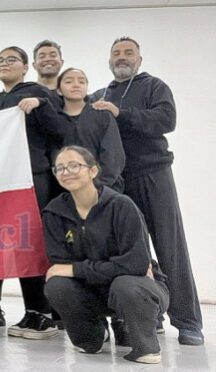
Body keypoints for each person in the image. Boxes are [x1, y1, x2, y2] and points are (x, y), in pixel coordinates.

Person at [89, 36, 203, 345]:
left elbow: (167, 119)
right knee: (134, 253)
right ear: (109, 60)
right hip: (118, 182)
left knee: (170, 247)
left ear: (139, 59)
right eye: (116, 53)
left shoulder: (154, 86)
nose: (122, 57)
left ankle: (189, 322)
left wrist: (120, 114)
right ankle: (151, 313)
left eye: (129, 53)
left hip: (153, 175)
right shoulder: (99, 95)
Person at [44, 145, 169, 364]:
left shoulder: (121, 206)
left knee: (127, 284)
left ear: (93, 171)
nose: (66, 172)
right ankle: (91, 337)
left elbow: (137, 264)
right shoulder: (54, 213)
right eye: (60, 168)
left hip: (136, 288)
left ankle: (146, 347)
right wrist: (91, 270)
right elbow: (58, 264)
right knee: (56, 284)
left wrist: (77, 269)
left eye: (74, 165)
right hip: (91, 290)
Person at [0, 46, 65, 340]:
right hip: (4, 184)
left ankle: (46, 311)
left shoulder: (39, 95)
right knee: (19, 244)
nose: (4, 64)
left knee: (36, 242)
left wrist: (41, 106)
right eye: (0, 60)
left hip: (34, 180)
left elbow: (62, 132)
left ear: (26, 66)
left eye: (11, 60)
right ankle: (32, 310)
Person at [18, 68, 125, 191]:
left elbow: (113, 156)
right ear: (59, 90)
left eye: (81, 82)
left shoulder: (102, 115)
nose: (76, 85)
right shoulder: (54, 121)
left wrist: (97, 186)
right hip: (66, 191)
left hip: (103, 189)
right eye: (69, 82)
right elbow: (52, 155)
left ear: (87, 87)